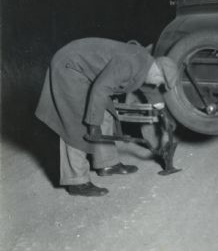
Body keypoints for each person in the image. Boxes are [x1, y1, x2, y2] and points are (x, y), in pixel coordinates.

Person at [35, 38, 178, 197]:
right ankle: (76, 181)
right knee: (75, 123)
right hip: (68, 67)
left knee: (107, 112)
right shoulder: (130, 63)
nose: (158, 85)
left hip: (83, 69)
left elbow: (148, 88)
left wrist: (163, 112)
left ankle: (107, 164)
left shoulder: (146, 64)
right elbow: (101, 88)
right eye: (160, 82)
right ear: (157, 71)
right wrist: (93, 124)